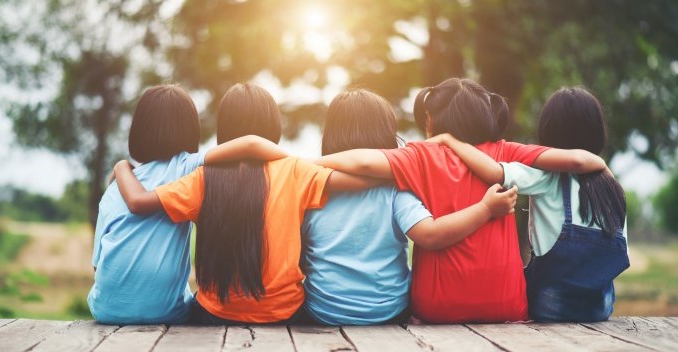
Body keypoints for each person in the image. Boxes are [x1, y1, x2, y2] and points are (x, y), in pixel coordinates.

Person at [315, 78, 608, 323]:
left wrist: (304, 163)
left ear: (431, 121)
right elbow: (578, 160)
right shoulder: (506, 152)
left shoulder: (421, 155)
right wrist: (602, 166)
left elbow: (364, 164)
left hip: (435, 308)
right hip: (505, 305)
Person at [113, 83, 386, 325]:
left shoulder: (202, 178)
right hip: (283, 313)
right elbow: (365, 180)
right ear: (274, 126)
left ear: (225, 128)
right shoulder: (295, 171)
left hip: (215, 314)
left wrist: (121, 168)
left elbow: (141, 202)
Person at [300, 89, 519, 325]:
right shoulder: (396, 189)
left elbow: (298, 256)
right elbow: (431, 235)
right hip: (388, 311)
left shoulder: (309, 187)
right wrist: (485, 209)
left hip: (324, 310)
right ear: (385, 135)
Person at [89, 84, 285, 324]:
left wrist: (120, 166)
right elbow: (251, 145)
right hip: (164, 312)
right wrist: (296, 163)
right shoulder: (187, 166)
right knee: (200, 302)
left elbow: (98, 267)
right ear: (191, 129)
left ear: (138, 130)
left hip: (105, 311)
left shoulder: (113, 189)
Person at [430, 87, 629, 322]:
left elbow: (494, 171)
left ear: (548, 130)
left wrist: (449, 140)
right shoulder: (612, 186)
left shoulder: (548, 177)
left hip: (551, 306)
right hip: (601, 306)